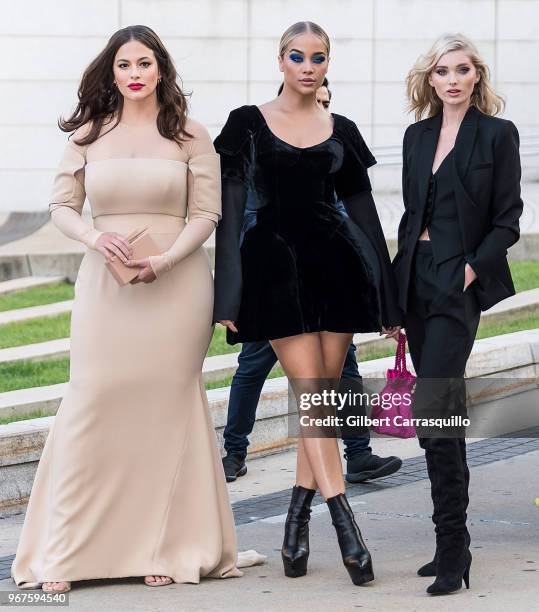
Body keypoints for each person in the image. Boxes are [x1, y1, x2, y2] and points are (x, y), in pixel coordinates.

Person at [11, 25, 262, 594]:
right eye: (124, 64)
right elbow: (61, 206)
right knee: (92, 400)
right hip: (106, 284)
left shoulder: (191, 136)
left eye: (144, 63)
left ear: (160, 69)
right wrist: (96, 240)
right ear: (112, 72)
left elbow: (208, 215)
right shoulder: (87, 134)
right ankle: (68, 552)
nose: (134, 74)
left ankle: (166, 547)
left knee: (166, 408)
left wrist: (168, 260)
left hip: (177, 284)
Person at [213, 21, 402, 586]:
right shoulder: (247, 124)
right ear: (280, 60)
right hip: (273, 271)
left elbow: (365, 217)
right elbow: (229, 213)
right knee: (314, 396)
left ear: (326, 64)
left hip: (337, 268)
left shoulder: (340, 127)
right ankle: (346, 524)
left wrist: (388, 294)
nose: (307, 65)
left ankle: (296, 525)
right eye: (297, 55)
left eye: (318, 57)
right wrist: (228, 293)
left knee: (321, 403)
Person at [221, 78, 402, 485]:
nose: (318, 107)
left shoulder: (334, 147)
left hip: (328, 281)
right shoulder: (264, 148)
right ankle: (235, 450)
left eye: (325, 101)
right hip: (276, 282)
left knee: (339, 375)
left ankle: (357, 453)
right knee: (254, 366)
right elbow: (246, 215)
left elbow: (357, 219)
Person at [394, 33, 523, 595]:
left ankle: (452, 547)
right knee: (435, 416)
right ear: (430, 79)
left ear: (476, 77)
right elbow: (408, 214)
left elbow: (508, 220)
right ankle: (454, 541)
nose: (451, 78)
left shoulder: (497, 134)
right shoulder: (415, 136)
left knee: (436, 405)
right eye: (442, 70)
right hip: (415, 278)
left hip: (457, 281)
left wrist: (471, 272)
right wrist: (395, 295)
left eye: (462, 69)